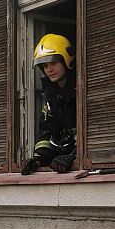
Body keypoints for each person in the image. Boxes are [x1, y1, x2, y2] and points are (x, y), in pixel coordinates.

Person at [21, 34, 77, 175]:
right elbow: (46, 132)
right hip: (61, 160)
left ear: (66, 60)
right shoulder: (51, 97)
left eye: (53, 63)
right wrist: (38, 160)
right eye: (45, 65)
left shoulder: (81, 90)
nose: (49, 69)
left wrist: (74, 156)